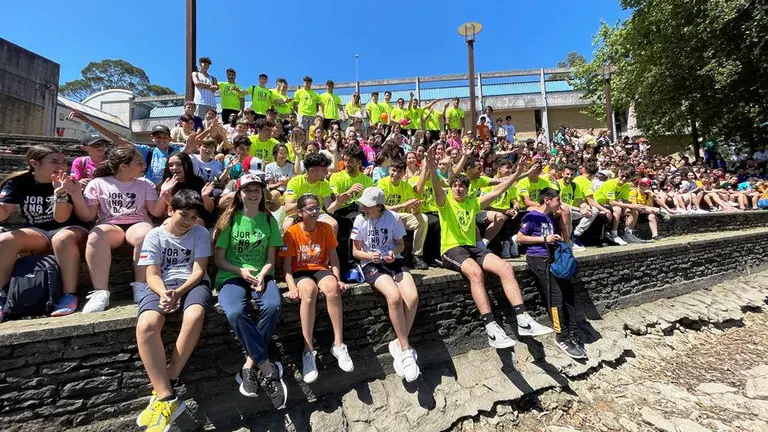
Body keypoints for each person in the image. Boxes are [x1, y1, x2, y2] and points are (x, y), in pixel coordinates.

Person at [428, 147, 553, 349]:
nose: (458, 189)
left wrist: (518, 174)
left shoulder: (472, 202)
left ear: (467, 189)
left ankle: (523, 318)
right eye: (456, 186)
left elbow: (498, 189)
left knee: (505, 267)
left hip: (472, 248)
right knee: (476, 273)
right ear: (451, 188)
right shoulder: (445, 202)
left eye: (462, 186)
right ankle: (491, 327)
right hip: (452, 249)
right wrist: (433, 169)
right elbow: (436, 187)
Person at [134, 190, 212, 431]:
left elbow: (199, 272)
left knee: (195, 314)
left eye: (193, 217)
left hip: (192, 284)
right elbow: (152, 274)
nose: (188, 221)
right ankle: (167, 397)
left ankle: (167, 382)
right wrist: (164, 293)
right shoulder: (154, 235)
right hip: (161, 286)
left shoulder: (200, 233)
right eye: (184, 215)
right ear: (170, 210)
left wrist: (178, 293)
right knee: (147, 324)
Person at [212, 173, 287, 410]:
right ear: (239, 193)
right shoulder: (230, 220)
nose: (253, 194)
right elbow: (219, 260)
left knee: (273, 305)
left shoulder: (268, 220)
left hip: (261, 276)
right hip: (232, 275)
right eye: (248, 190)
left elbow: (271, 259)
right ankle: (267, 368)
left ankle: (248, 366)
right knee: (234, 311)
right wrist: (240, 270)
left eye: (257, 190)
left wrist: (264, 274)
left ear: (262, 193)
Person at [68, 147, 171, 313]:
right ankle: (100, 292)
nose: (143, 166)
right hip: (110, 224)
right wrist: (75, 195)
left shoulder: (145, 184)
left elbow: (155, 212)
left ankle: (142, 286)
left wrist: (164, 194)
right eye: (138, 163)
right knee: (95, 236)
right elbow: (88, 216)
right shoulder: (98, 183)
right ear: (123, 166)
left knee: (146, 235)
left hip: (138, 222)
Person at [0, 145, 88, 320]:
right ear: (35, 163)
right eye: (54, 162)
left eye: (63, 162)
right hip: (37, 231)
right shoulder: (18, 182)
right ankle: (2, 295)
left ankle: (69, 295)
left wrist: (60, 192)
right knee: (5, 240)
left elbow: (62, 218)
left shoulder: (68, 182)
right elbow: (3, 214)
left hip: (70, 228)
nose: (61, 166)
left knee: (62, 239)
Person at [281, 194, 354, 383]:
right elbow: (287, 265)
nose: (315, 212)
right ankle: (308, 350)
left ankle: (338, 344)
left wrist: (337, 279)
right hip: (300, 272)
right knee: (308, 291)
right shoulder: (292, 232)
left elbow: (334, 258)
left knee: (332, 289)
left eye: (317, 208)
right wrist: (291, 286)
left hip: (321, 269)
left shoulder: (326, 228)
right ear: (300, 212)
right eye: (310, 209)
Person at [352, 187, 420, 382]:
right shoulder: (359, 220)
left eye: (368, 205)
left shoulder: (393, 218)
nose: (363, 207)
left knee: (412, 297)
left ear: (379, 207)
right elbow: (356, 252)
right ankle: (406, 349)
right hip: (371, 264)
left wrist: (392, 252)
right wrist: (369, 255)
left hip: (393, 260)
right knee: (394, 297)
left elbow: (400, 244)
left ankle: (399, 343)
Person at [515, 187, 588, 360]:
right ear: (547, 200)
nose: (560, 204)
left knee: (568, 294)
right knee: (555, 297)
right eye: (558, 200)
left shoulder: (550, 217)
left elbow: (563, 234)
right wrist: (544, 239)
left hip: (551, 257)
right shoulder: (532, 216)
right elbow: (520, 237)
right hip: (538, 258)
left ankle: (572, 331)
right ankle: (561, 336)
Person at [376, 157, 429, 270]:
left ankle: (417, 255)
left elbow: (412, 211)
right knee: (394, 215)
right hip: (384, 217)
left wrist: (415, 208)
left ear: (404, 173)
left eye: (399, 171)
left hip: (400, 218)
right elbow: (380, 207)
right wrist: (402, 205)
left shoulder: (406, 186)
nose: (395, 174)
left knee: (423, 218)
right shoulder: (382, 183)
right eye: (393, 170)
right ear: (389, 170)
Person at [329, 145, 373, 275]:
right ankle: (346, 264)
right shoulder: (336, 177)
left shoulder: (367, 180)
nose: (346, 164)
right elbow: (334, 202)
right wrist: (349, 191)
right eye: (345, 160)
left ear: (359, 162)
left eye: (350, 161)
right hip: (341, 211)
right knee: (349, 222)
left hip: (360, 211)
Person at [283, 153, 340, 234]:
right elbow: (288, 209)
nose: (327, 172)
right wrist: (307, 203)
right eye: (324, 170)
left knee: (333, 224)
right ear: (312, 170)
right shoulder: (295, 182)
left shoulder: (325, 183)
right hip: (298, 214)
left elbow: (329, 208)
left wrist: (339, 202)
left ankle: (331, 247)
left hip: (318, 213)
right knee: (288, 225)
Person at [593, 164, 638, 245]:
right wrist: (630, 206)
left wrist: (638, 207)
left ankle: (628, 234)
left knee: (633, 211)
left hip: (609, 205)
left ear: (631, 178)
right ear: (619, 172)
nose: (624, 179)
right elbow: (612, 202)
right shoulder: (611, 183)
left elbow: (627, 201)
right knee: (618, 209)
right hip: (599, 204)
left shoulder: (626, 186)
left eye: (627, 177)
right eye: (622, 176)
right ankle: (614, 234)